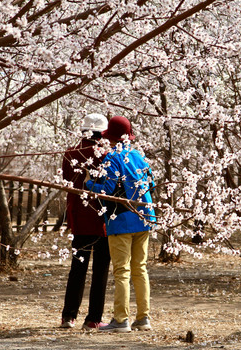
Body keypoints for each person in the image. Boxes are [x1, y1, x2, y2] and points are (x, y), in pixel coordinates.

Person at [85, 115, 156, 333]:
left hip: (121, 221)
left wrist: (89, 183)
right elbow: (151, 184)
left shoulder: (112, 157)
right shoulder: (139, 156)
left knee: (122, 270)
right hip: (144, 217)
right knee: (140, 269)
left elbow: (107, 190)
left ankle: (121, 319)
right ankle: (143, 318)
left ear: (111, 137)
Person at [60, 114, 111, 330]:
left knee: (77, 268)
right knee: (100, 270)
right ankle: (93, 319)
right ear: (102, 134)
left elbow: (65, 181)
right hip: (102, 220)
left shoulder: (70, 153)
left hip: (79, 218)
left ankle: (68, 317)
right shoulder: (107, 155)